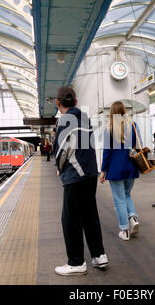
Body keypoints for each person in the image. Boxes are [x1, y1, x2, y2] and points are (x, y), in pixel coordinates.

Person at [53, 86, 107, 276]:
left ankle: (76, 262)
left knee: (70, 219)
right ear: (75, 102)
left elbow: (61, 151)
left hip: (75, 176)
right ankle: (99, 255)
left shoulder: (64, 120)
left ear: (58, 103)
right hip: (90, 173)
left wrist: (60, 169)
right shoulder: (85, 118)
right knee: (90, 215)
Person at [99, 101, 141, 241]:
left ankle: (125, 230)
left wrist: (103, 171)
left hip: (116, 170)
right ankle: (133, 218)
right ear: (124, 111)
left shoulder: (109, 129)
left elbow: (107, 152)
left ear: (111, 113)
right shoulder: (133, 126)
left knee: (119, 200)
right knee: (127, 194)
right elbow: (138, 145)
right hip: (131, 167)